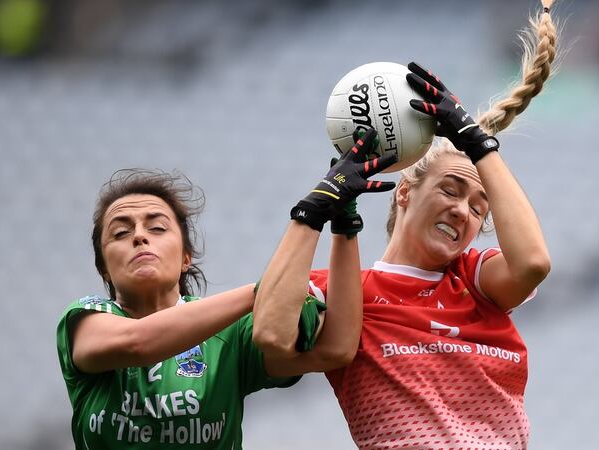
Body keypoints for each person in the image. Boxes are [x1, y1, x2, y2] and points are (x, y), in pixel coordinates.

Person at [253, 2, 558, 448]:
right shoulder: (343, 291)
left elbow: (533, 263)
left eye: (479, 209)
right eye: (451, 190)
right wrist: (312, 213)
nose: (462, 211)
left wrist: (476, 142)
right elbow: (273, 339)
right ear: (405, 191)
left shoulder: (475, 282)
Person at [55, 166, 390, 449]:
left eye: (157, 227)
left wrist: (344, 228)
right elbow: (138, 343)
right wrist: (268, 288)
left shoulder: (231, 334)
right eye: (120, 232)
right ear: (103, 268)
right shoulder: (86, 318)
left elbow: (336, 349)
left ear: (186, 258)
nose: (140, 237)